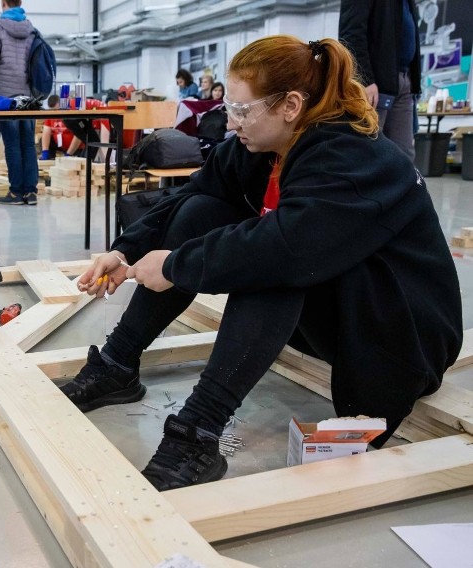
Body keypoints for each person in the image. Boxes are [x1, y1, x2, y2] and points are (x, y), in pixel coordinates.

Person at [59, 35, 462, 492]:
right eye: (229, 108)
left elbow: (285, 249)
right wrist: (125, 250)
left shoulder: (351, 156)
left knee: (270, 261)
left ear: (291, 105)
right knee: (203, 213)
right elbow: (195, 192)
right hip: (344, 309)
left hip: (400, 334)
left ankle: (199, 430)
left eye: (242, 110)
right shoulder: (265, 145)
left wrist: (175, 266)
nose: (231, 123)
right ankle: (117, 365)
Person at [338, 0, 420, 161]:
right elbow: (350, 35)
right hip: (375, 84)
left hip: (403, 80)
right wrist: (365, 80)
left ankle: (404, 186)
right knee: (366, 152)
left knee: (404, 155)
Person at [0, 0, 40, 206]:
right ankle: (31, 192)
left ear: (3, 3)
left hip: (5, 96)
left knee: (13, 145)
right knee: (28, 144)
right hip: (27, 96)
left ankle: (16, 192)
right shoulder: (31, 29)